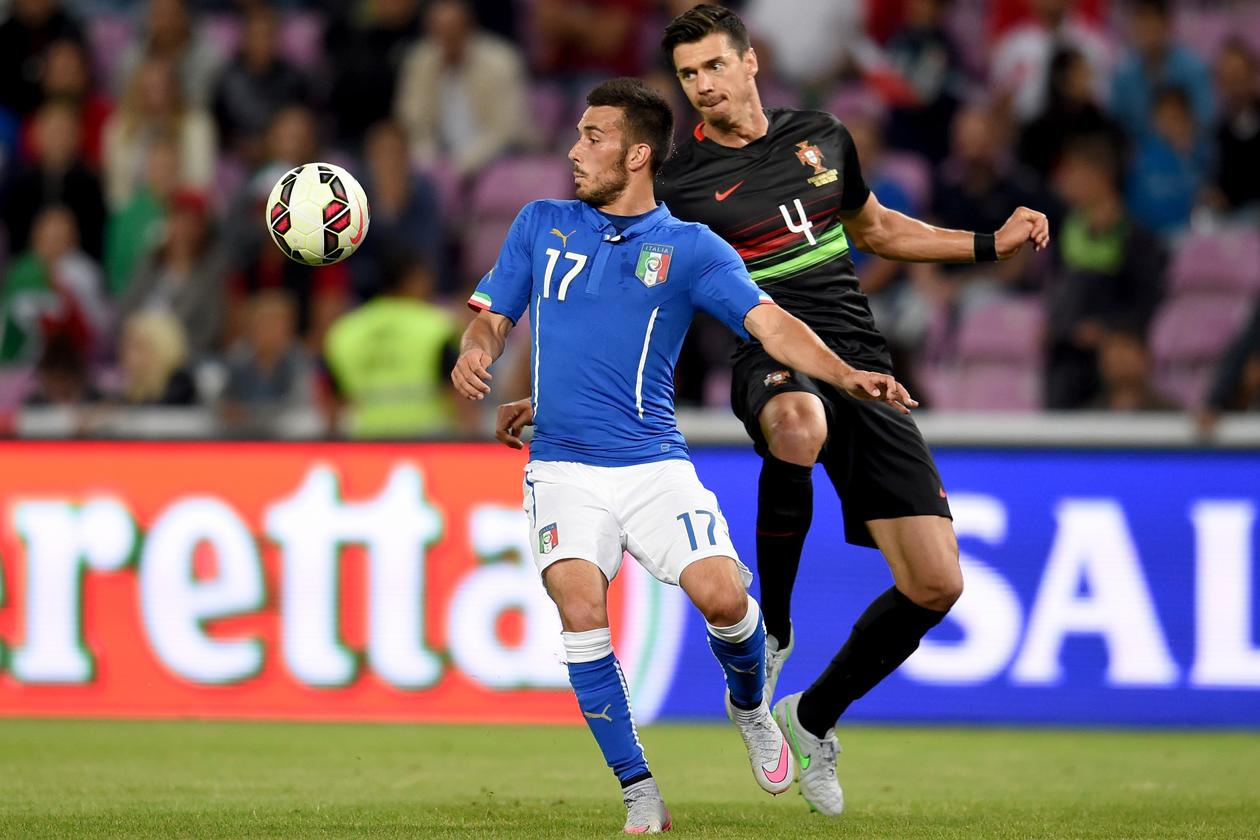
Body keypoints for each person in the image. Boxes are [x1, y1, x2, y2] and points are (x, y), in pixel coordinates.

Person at [460, 78, 915, 832]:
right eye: (577, 134)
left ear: (638, 154)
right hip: (564, 469)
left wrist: (843, 372)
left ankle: (749, 707)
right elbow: (490, 319)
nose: (575, 151)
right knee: (579, 605)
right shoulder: (540, 224)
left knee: (726, 600)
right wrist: (474, 353)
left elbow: (771, 326)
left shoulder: (691, 248)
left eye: (593, 137)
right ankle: (639, 791)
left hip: (652, 468)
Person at [652, 6, 1049, 816]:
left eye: (713, 67)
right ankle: (773, 634)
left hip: (865, 366)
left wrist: (988, 243)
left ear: (751, 61)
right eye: (689, 74)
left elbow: (878, 230)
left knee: (936, 584)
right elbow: (634, 288)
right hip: (769, 356)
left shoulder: (823, 137)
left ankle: (814, 715)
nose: (703, 87)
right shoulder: (679, 182)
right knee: (798, 424)